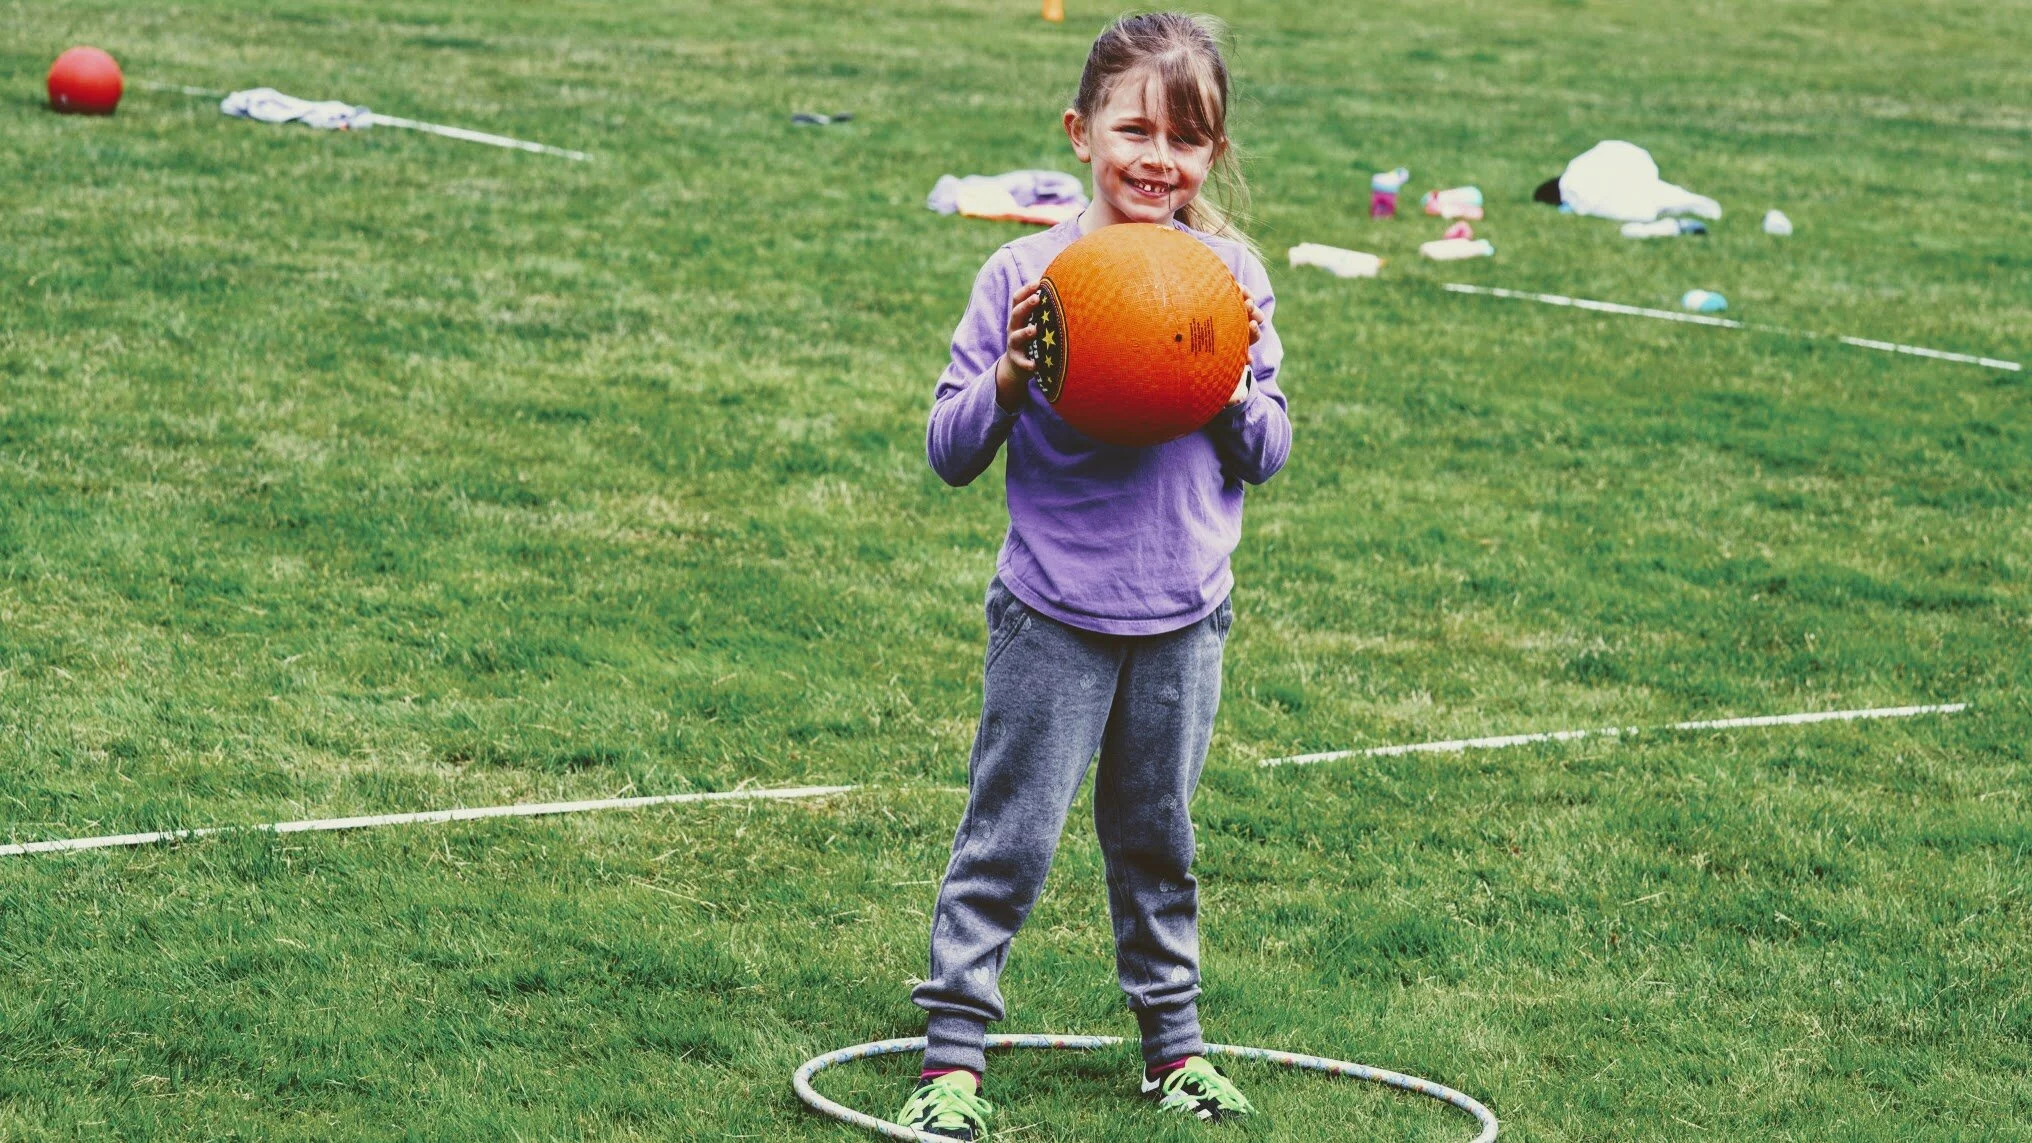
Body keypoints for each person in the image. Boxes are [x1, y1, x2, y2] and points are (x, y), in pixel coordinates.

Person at [896, 12, 1291, 1138]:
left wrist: (1225, 378)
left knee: (1157, 839)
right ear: (1080, 133)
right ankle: (952, 1062)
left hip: (1184, 618)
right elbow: (949, 450)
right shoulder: (1023, 273)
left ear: (1213, 154)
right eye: (1134, 128)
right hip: (1052, 614)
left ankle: (1174, 1052)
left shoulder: (1232, 278)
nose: (1157, 157)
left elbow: (1266, 454)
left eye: (1188, 136)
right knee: (1009, 837)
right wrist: (1015, 376)